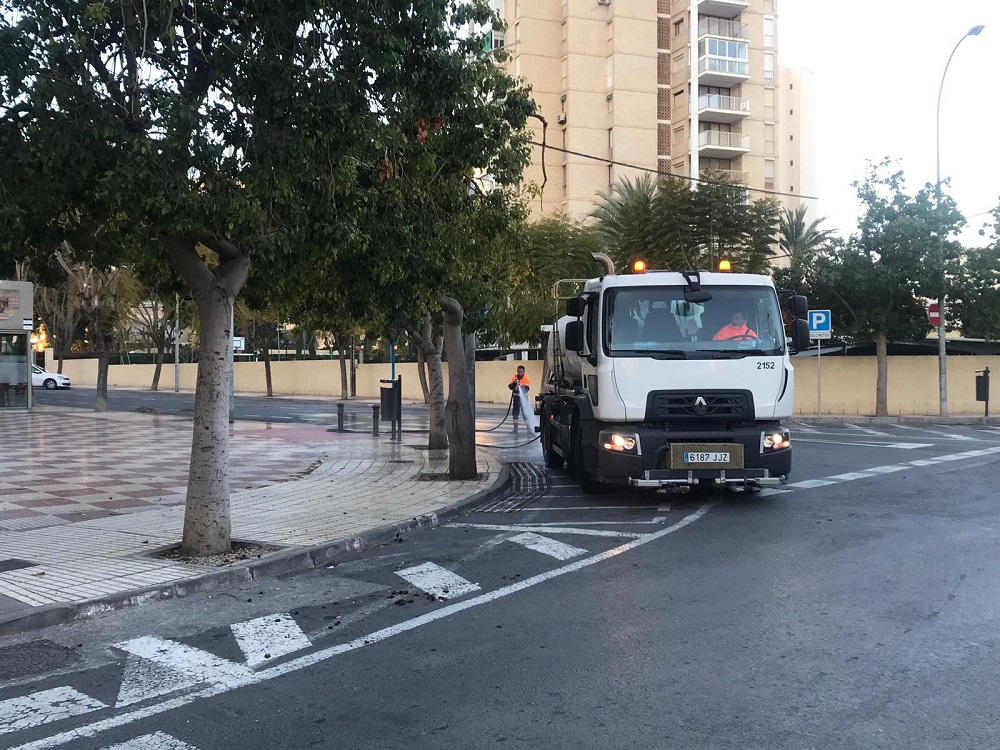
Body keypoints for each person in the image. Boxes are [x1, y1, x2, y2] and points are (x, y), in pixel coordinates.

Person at [508, 364, 531, 433]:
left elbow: (526, 389)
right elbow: (510, 387)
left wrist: (520, 386)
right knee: (515, 413)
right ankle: (515, 429)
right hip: (516, 398)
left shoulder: (526, 379)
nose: (519, 373)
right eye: (518, 371)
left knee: (525, 413)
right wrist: (514, 383)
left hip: (523, 399)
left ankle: (529, 430)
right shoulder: (514, 378)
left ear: (524, 372)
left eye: (521, 372)